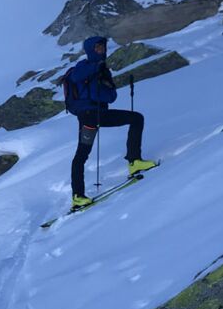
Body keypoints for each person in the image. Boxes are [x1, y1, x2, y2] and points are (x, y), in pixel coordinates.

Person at [66, 36, 157, 209]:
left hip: (98, 114)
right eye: (98, 47)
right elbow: (77, 77)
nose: (101, 50)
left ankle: (78, 196)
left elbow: (111, 97)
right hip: (89, 115)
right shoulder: (83, 66)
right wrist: (96, 69)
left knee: (135, 119)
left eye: (103, 47)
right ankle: (134, 162)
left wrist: (104, 79)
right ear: (91, 49)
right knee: (83, 153)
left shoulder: (103, 70)